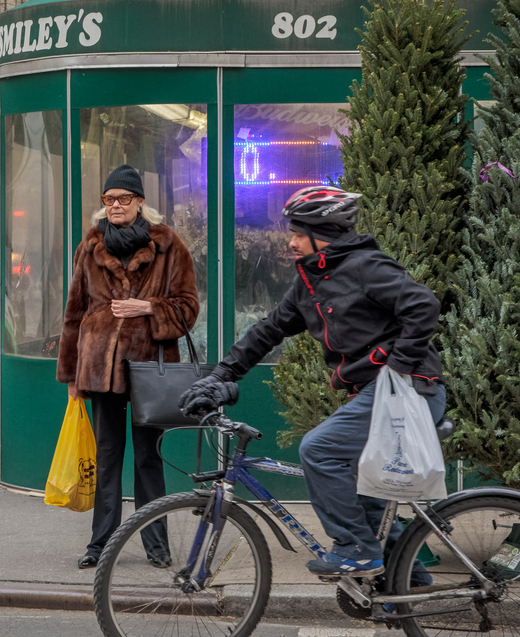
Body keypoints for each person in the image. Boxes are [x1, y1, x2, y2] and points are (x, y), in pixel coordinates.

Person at [180, 186, 445, 578]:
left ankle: (355, 549)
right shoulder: (310, 283)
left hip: (410, 391)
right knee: (365, 496)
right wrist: (220, 376)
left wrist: (399, 366)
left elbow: (424, 305)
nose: (290, 242)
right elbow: (267, 331)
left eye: (298, 234)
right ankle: (408, 581)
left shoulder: (365, 267)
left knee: (319, 449)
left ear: (325, 235)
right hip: (375, 394)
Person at [57, 164, 201, 569]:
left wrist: (148, 307)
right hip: (100, 369)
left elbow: (189, 309)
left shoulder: (170, 247)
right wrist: (70, 374)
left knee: (147, 460)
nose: (115, 206)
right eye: (108, 200)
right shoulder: (89, 247)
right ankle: (100, 544)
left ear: (140, 202)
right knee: (106, 459)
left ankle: (157, 545)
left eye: (123, 199)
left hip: (148, 369)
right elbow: (74, 312)